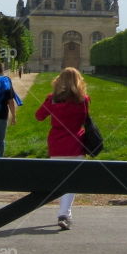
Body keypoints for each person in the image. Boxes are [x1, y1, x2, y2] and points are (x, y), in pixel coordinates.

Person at [35, 67, 90, 229]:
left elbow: (38, 116)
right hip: (76, 143)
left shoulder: (52, 99)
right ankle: (64, 213)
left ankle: (65, 213)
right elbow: (85, 119)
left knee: (61, 179)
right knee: (71, 180)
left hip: (57, 143)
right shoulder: (84, 100)